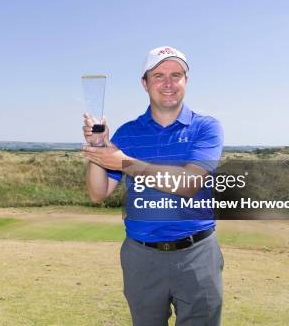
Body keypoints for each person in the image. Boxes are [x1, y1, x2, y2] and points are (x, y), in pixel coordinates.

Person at [82, 46, 224, 326]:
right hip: (141, 255)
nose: (168, 83)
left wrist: (123, 161)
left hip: (197, 253)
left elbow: (189, 183)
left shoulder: (206, 128)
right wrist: (97, 149)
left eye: (176, 75)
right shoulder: (128, 133)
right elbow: (98, 193)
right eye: (158, 75)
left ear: (186, 81)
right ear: (145, 84)